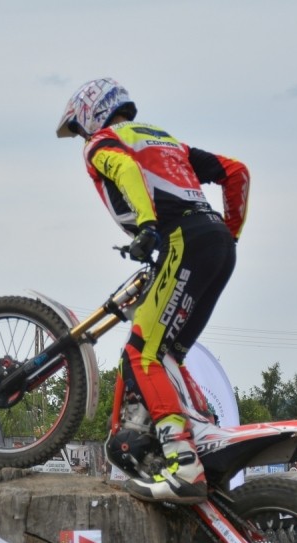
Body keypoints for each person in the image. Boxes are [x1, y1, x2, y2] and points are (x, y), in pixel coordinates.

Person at [56, 78, 249, 505]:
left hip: (182, 241)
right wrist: (229, 232)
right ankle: (203, 436)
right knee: (168, 352)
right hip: (217, 243)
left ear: (91, 115)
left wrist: (147, 226)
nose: (83, 140)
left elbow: (125, 171)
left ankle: (183, 462)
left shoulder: (103, 143)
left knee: (140, 353)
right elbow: (236, 171)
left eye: (80, 130)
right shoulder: (166, 141)